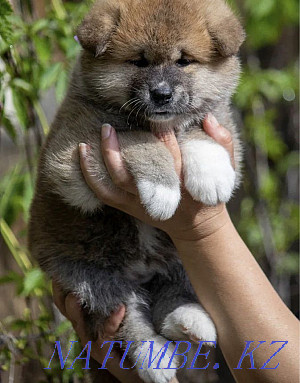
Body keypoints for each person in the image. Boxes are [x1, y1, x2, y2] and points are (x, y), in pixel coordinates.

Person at [52, 114, 299, 383]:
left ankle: (170, 308)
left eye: (182, 66)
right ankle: (145, 332)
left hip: (158, 267)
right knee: (107, 301)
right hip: (99, 261)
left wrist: (204, 228)